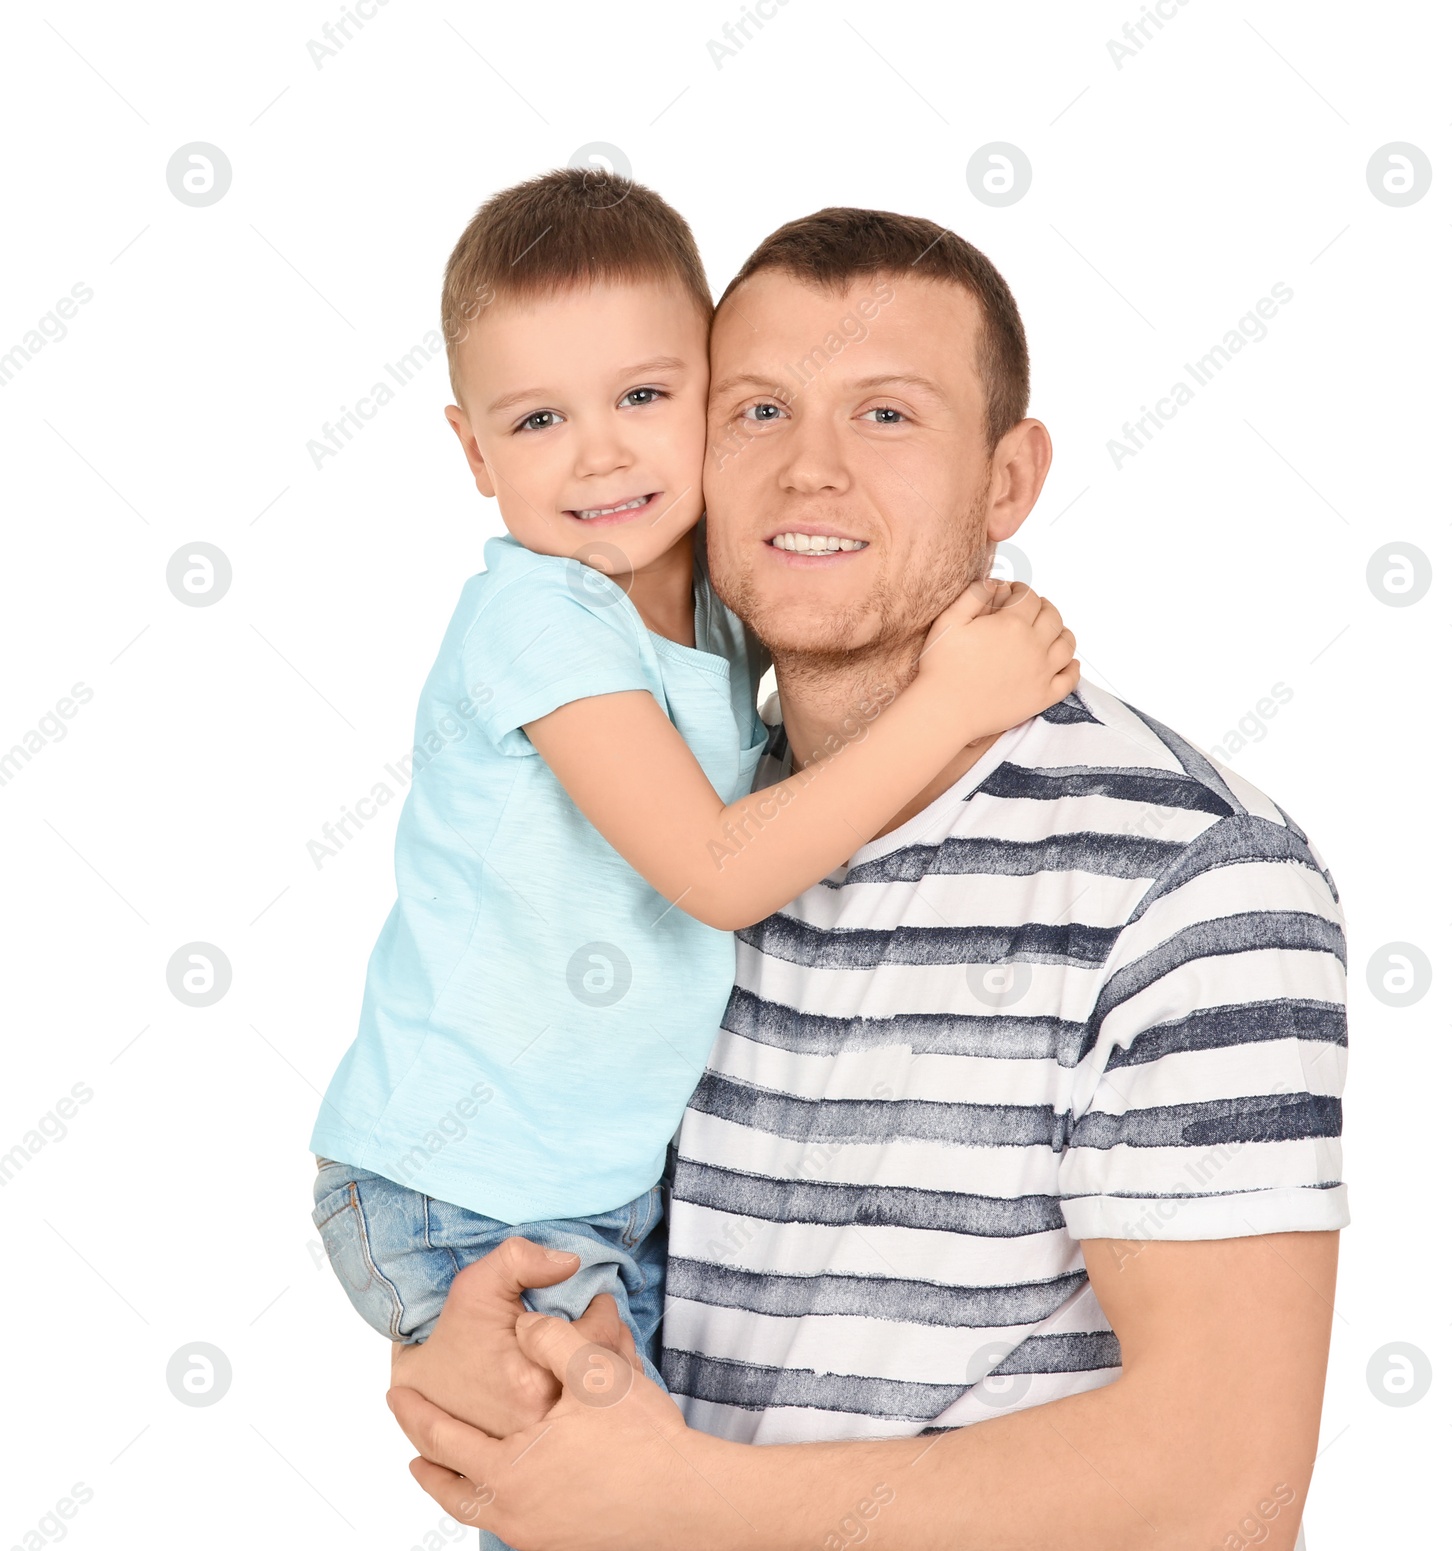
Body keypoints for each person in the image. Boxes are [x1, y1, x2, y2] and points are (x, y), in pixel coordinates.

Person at [385, 207, 1348, 1551]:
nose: (808, 472)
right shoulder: (676, 829)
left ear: (1008, 481)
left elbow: (1224, 1484)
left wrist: (683, 1508)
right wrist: (458, 1334)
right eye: (759, 409)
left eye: (887, 416)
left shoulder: (1186, 876)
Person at [307, 167, 1080, 1513]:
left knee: (634, 1501)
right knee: (604, 1505)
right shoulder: (540, 624)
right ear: (474, 454)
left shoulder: (712, 615)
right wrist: (957, 701)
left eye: (647, 399)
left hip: (596, 1185)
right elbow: (719, 872)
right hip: (469, 1187)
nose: (601, 455)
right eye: (539, 418)